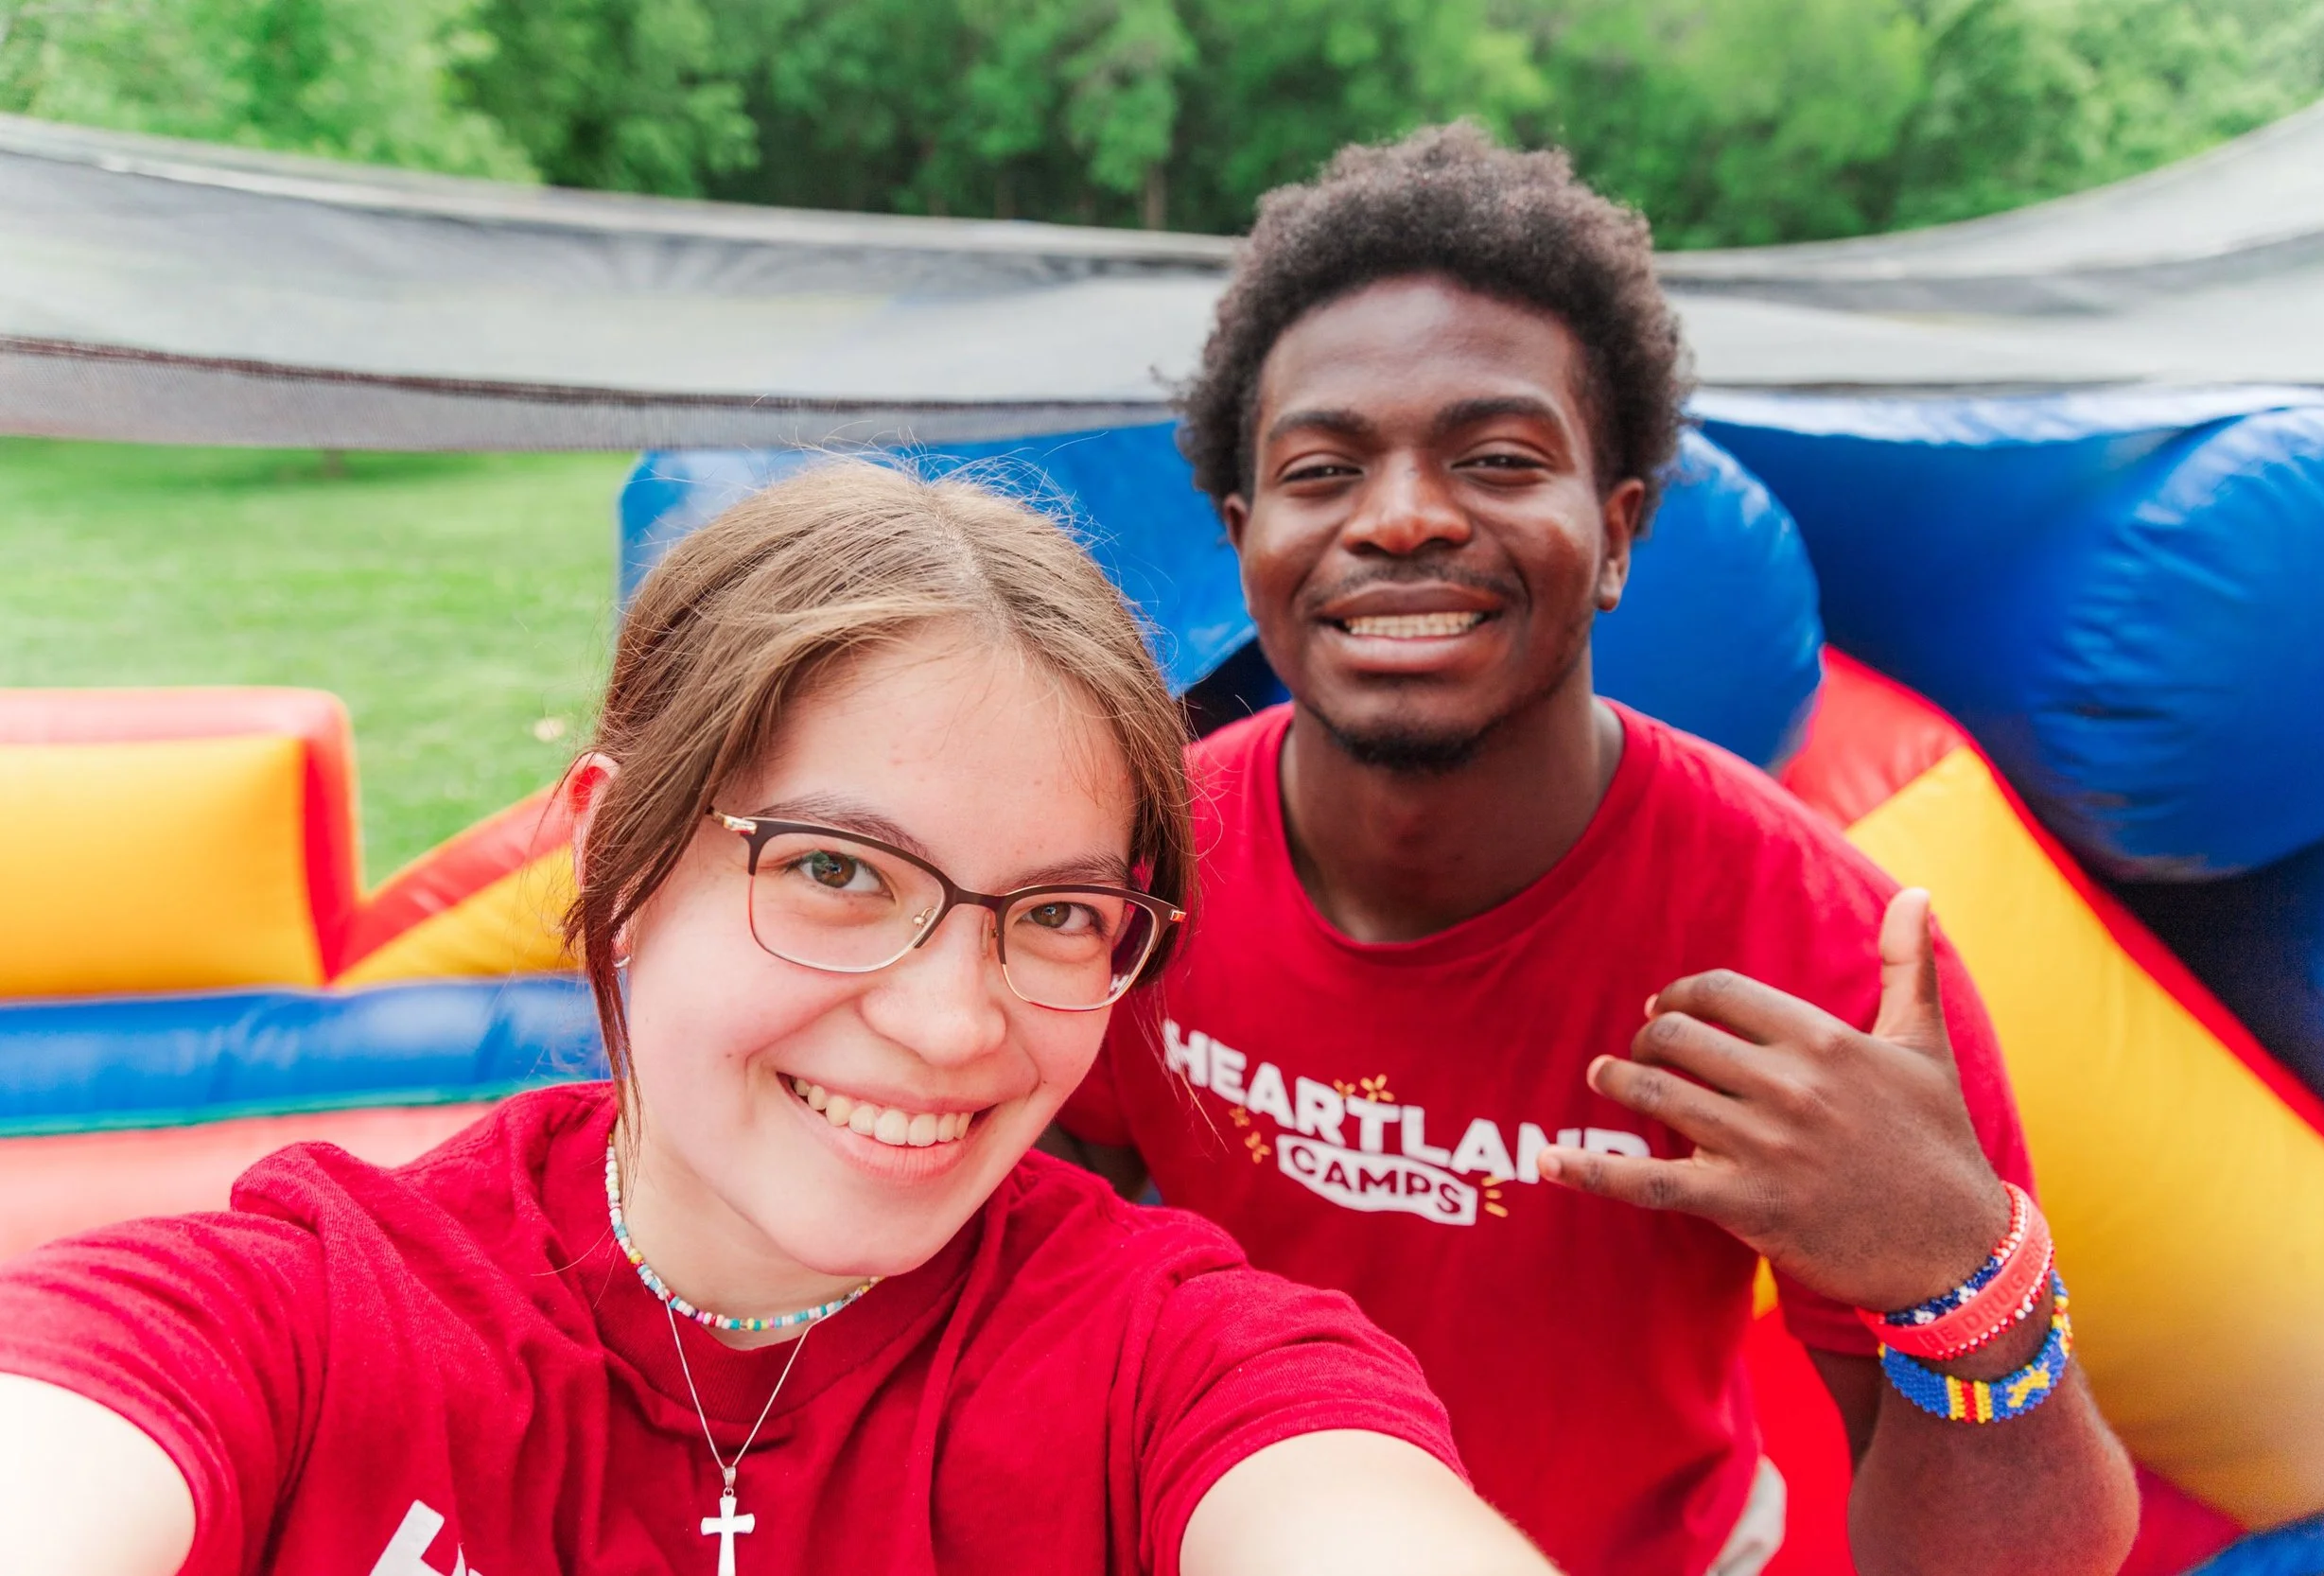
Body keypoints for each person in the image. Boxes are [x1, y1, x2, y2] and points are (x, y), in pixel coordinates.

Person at [0, 464, 1562, 1576]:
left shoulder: (1170, 1361)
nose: (958, 1024)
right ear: (622, 857)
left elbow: (1333, 1496)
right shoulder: (310, 1321)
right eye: (834, 869)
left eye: (1062, 912)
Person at [1050, 127, 2140, 1576]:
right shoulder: (1130, 863)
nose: (1405, 516)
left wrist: (1964, 1272)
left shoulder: (1823, 957)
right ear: (1248, 538)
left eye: (1497, 457)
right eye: (1324, 469)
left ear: (1616, 532)